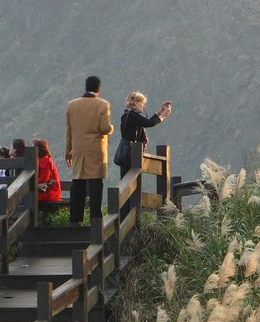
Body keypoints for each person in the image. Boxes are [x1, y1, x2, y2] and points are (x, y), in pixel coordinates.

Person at [64, 75, 113, 225]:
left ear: (86, 87)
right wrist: (112, 128)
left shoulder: (72, 105)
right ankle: (95, 219)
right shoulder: (102, 104)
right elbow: (104, 128)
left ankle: (75, 220)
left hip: (78, 150)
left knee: (78, 184)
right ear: (98, 88)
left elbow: (68, 131)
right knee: (95, 185)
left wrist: (68, 151)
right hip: (96, 150)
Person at [118, 92, 172, 177]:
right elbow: (149, 123)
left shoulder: (129, 115)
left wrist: (160, 111)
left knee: (126, 179)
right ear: (136, 103)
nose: (144, 106)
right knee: (129, 180)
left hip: (127, 154)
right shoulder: (132, 115)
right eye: (143, 103)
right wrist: (164, 115)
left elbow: (147, 122)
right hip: (131, 155)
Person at [33, 137, 62, 206]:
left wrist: (31, 182)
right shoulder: (43, 160)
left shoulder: (46, 162)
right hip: (45, 191)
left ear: (38, 150)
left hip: (50, 193)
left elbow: (43, 181)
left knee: (26, 197)